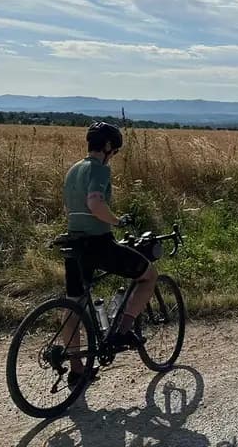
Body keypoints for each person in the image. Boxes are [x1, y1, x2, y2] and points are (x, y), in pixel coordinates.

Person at [60, 122, 157, 386]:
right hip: (97, 242)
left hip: (74, 242)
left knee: (74, 303)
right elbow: (94, 202)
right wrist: (115, 221)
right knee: (149, 275)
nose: (113, 154)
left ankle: (77, 369)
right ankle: (122, 332)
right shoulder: (100, 169)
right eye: (114, 150)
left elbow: (70, 209)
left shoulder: (73, 170)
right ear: (106, 147)